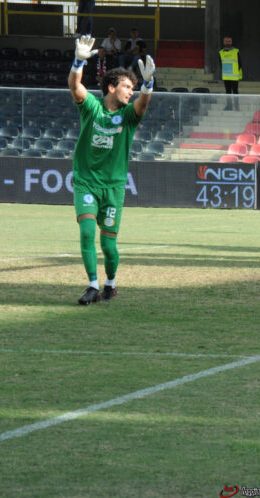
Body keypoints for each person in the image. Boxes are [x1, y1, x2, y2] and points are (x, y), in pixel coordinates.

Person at [68, 34, 155, 305]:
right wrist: (78, 62)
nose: (131, 91)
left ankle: (110, 284)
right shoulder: (92, 108)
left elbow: (143, 104)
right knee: (85, 231)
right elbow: (75, 86)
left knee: (109, 245)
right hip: (86, 182)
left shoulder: (129, 116)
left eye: (133, 87)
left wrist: (148, 85)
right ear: (111, 87)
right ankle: (92, 285)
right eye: (127, 86)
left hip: (114, 187)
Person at [219, 36, 242, 110]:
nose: (228, 42)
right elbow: (220, 64)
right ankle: (229, 106)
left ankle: (236, 106)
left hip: (234, 76)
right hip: (226, 75)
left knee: (235, 91)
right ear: (224, 42)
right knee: (227, 92)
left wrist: (237, 73)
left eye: (229, 41)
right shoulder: (220, 52)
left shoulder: (236, 51)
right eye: (226, 41)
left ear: (231, 42)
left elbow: (240, 63)